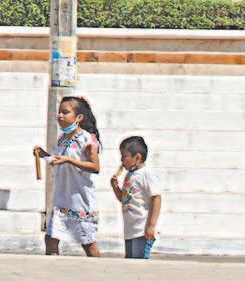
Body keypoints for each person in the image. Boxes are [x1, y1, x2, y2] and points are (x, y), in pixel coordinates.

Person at [33, 95, 101, 257]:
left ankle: (100, 268)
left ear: (79, 117)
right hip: (62, 200)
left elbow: (95, 167)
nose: (60, 116)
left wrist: (70, 160)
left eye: (65, 112)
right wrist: (44, 155)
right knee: (50, 239)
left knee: (87, 243)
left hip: (80, 200)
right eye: (59, 112)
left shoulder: (87, 139)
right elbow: (58, 161)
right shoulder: (62, 139)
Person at [111, 135, 162, 259]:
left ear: (137, 157)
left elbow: (156, 198)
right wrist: (116, 188)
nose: (121, 160)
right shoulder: (129, 175)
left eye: (124, 157)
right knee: (130, 262)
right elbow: (124, 199)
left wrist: (151, 226)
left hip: (141, 230)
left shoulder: (146, 174)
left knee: (139, 262)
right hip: (130, 230)